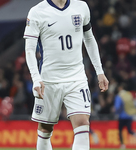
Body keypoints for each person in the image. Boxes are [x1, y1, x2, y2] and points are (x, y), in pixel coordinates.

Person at [23, 0, 109, 150]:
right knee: (45, 129)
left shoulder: (81, 7)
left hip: (76, 77)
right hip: (49, 80)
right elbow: (29, 49)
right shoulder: (37, 12)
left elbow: (89, 39)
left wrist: (100, 71)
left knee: (83, 123)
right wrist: (36, 78)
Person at [114, 83, 136, 149]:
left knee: (120, 131)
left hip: (122, 116)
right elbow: (135, 104)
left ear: (120, 88)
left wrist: (116, 112)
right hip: (129, 116)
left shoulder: (119, 96)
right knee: (129, 130)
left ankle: (122, 145)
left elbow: (117, 107)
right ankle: (135, 134)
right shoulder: (129, 94)